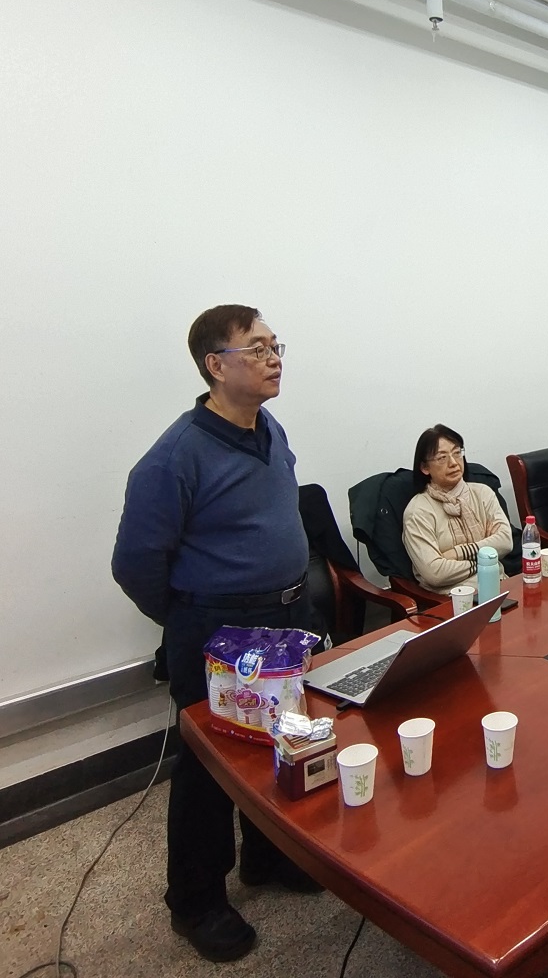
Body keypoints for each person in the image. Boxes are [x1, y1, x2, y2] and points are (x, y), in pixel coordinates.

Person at [112, 306, 317, 963]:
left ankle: (267, 856)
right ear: (215, 365)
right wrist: (189, 619)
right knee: (209, 764)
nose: (274, 358)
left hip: (287, 616)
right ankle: (195, 900)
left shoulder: (268, 426)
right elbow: (136, 564)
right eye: (256, 348)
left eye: (276, 345)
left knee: (280, 741)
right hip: (218, 630)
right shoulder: (176, 457)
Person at [402, 425, 514, 591]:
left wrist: (456, 553)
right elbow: (435, 573)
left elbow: (505, 542)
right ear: (425, 468)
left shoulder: (482, 493)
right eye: (442, 458)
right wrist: (487, 560)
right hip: (453, 597)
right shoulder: (418, 511)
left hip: (499, 585)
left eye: (457, 453)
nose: (454, 463)